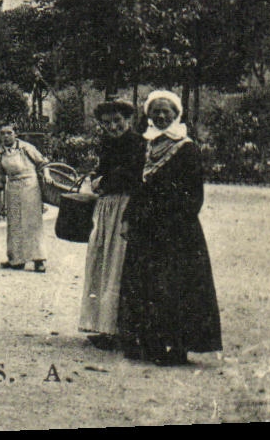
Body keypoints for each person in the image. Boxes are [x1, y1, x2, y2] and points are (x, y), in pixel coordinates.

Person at [117, 90, 222, 366]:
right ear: (149, 115)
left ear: (177, 114)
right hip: (146, 228)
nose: (161, 116)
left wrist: (172, 221)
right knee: (145, 284)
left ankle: (177, 348)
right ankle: (150, 344)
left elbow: (194, 194)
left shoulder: (186, 148)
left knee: (175, 285)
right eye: (156, 111)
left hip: (177, 230)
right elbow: (138, 187)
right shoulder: (148, 145)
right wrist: (129, 217)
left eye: (166, 111)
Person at [80, 100, 144, 348]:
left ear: (128, 120)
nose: (113, 126)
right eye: (107, 123)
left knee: (117, 263)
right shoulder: (107, 143)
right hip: (106, 207)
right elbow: (103, 170)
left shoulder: (137, 143)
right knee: (102, 261)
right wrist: (96, 177)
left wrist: (102, 180)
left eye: (117, 121)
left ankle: (118, 329)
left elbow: (132, 176)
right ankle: (102, 325)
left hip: (124, 206)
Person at [0, 123, 47, 272]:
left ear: (16, 134)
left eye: (9, 133)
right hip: (13, 188)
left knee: (32, 223)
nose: (6, 136)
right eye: (2, 133)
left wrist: (46, 175)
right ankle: (16, 259)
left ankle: (39, 260)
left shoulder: (26, 148)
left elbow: (42, 163)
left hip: (30, 185)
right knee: (14, 223)